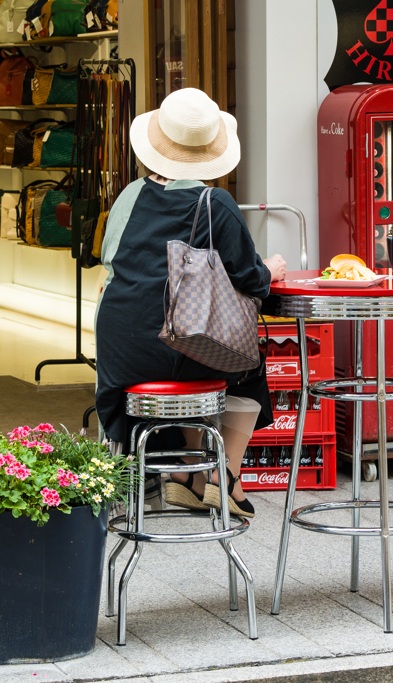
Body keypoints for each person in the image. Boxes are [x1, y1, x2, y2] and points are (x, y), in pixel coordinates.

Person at [95, 88, 287, 519]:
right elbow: (250, 278)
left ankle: (184, 472)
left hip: (117, 352)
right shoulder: (213, 202)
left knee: (192, 341)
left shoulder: (129, 195)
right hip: (174, 349)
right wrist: (272, 269)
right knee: (243, 362)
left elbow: (112, 258)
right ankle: (224, 476)